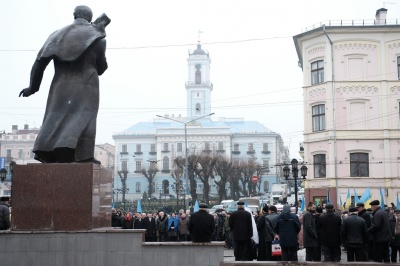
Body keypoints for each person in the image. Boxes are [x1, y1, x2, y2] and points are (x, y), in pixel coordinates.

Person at [19, 5, 110, 164]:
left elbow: (39, 63)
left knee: (55, 116)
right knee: (85, 118)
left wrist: (33, 87)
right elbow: (101, 68)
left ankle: (50, 151)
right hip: (88, 85)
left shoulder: (56, 35)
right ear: (90, 18)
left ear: (74, 15)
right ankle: (81, 156)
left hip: (61, 85)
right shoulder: (97, 38)